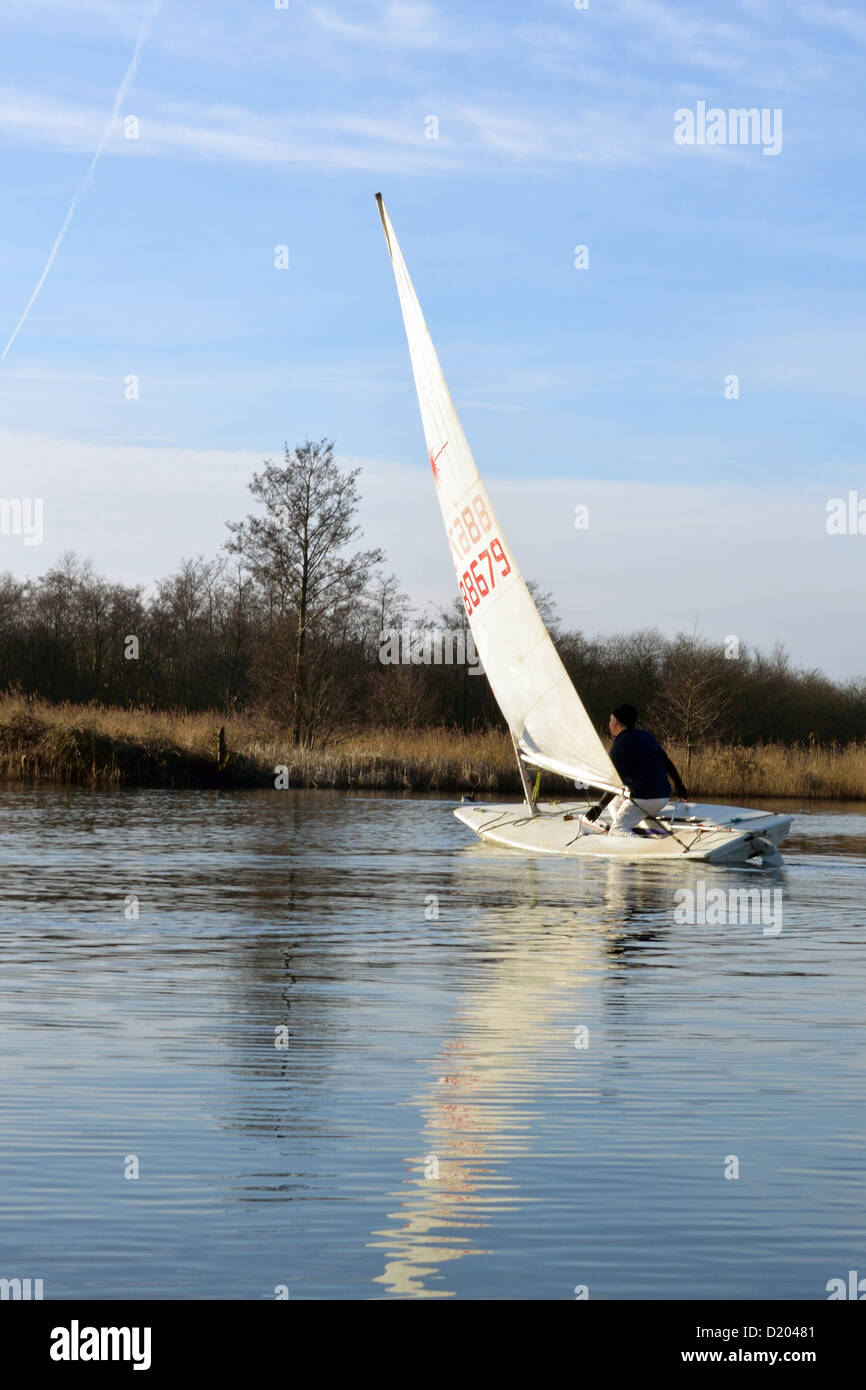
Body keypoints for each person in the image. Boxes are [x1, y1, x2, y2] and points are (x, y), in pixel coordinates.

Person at [584, 704, 688, 835]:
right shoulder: (646, 736)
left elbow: (615, 784)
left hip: (645, 800)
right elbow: (666, 762)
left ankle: (630, 836)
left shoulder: (618, 748)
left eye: (610, 721)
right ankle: (629, 824)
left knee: (616, 830)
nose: (609, 724)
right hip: (663, 796)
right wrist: (680, 787)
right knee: (615, 803)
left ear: (616, 724)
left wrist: (599, 807)